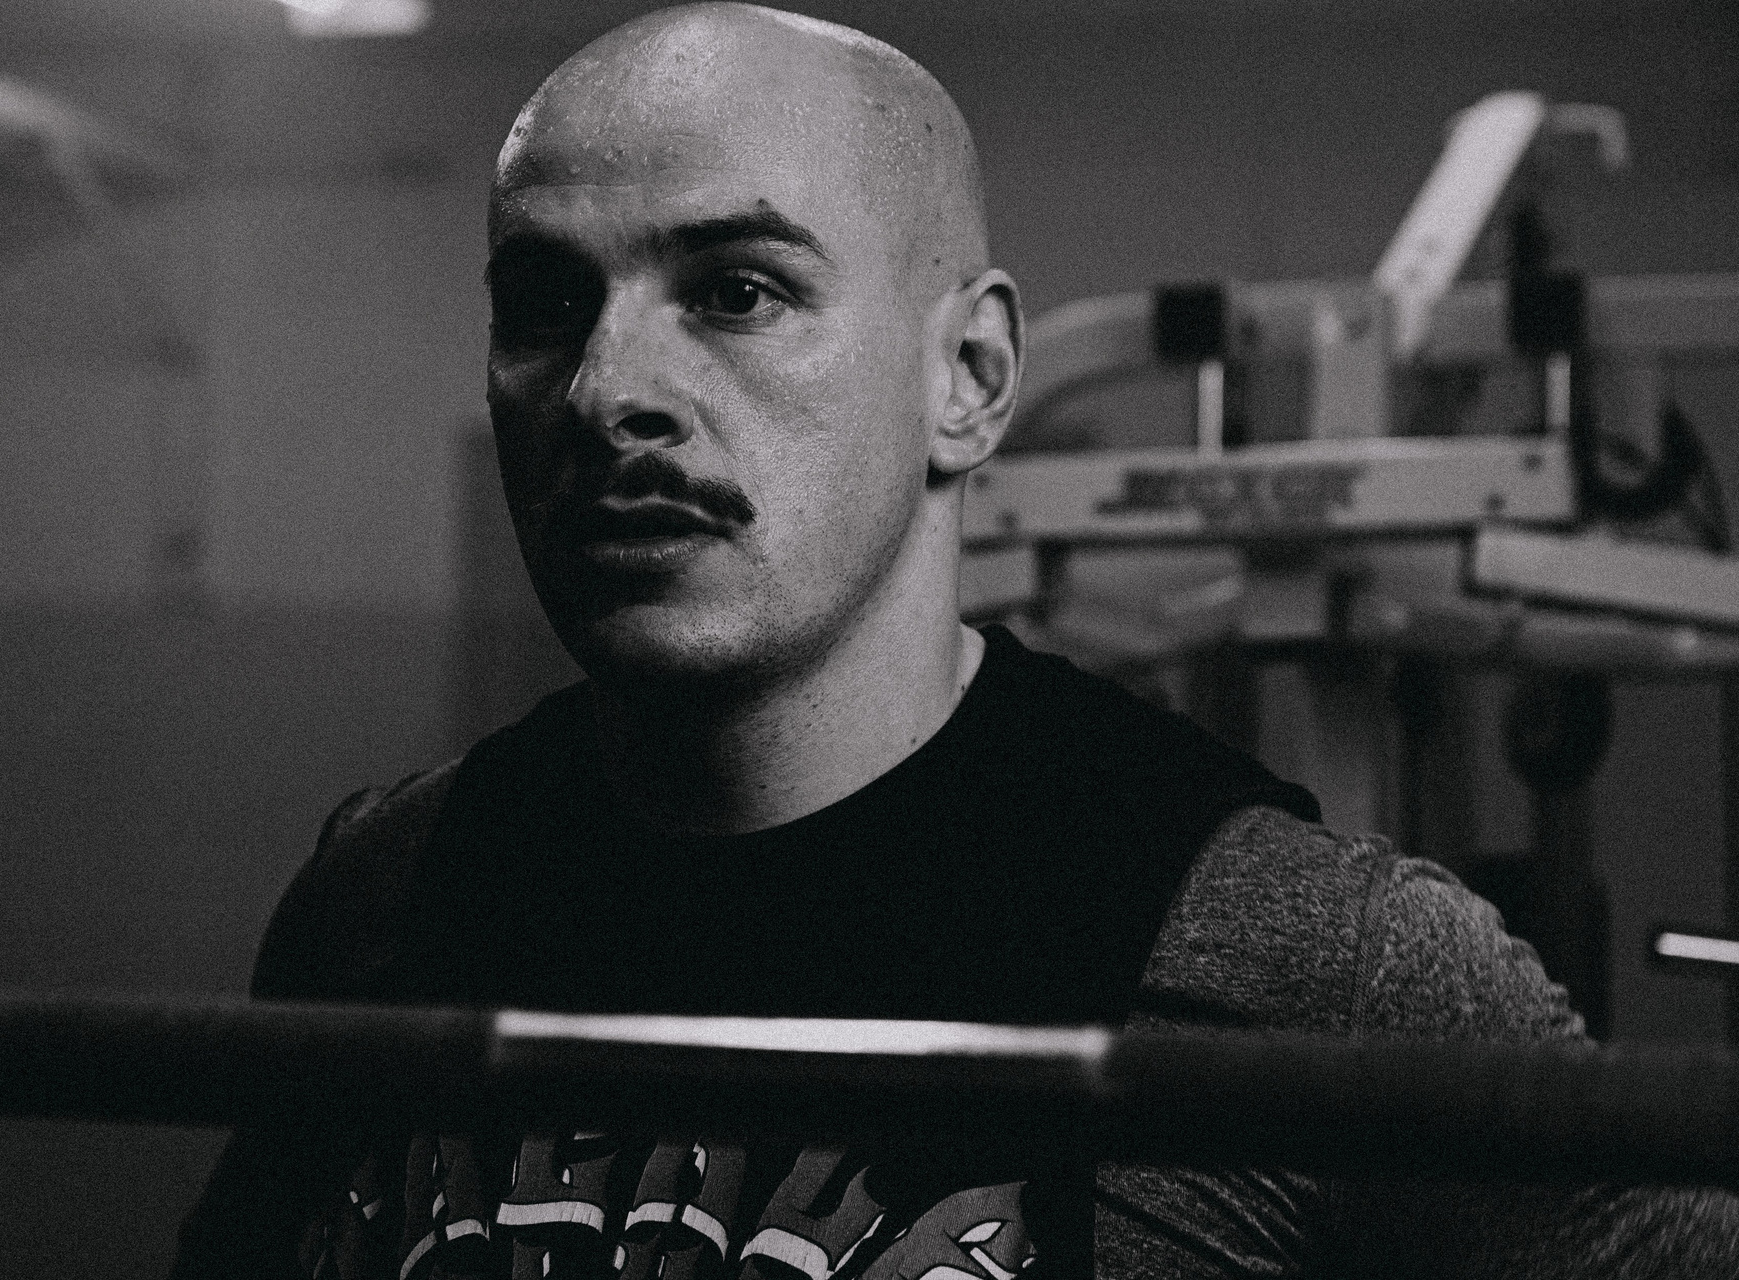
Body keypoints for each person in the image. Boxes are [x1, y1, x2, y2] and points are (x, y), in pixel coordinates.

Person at [173, 5, 1739, 1277]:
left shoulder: (1305, 965)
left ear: (972, 380)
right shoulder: (382, 898)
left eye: (737, 291)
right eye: (541, 304)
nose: (604, 390)